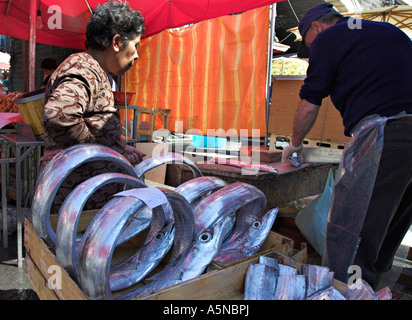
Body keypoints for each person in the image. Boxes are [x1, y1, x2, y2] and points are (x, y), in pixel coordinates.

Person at [281, 3, 412, 289]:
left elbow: (309, 101)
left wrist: (293, 144)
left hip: (386, 137)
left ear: (316, 27)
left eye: (308, 44)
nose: (311, 52)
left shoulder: (328, 38)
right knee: (389, 228)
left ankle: (344, 292)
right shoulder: (390, 31)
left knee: (353, 230)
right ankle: (371, 291)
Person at [42, 0, 146, 211]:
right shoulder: (84, 68)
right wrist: (105, 154)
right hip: (77, 205)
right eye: (135, 45)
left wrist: (118, 148)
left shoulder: (95, 71)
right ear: (116, 42)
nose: (136, 55)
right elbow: (59, 116)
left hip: (86, 201)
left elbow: (85, 125)